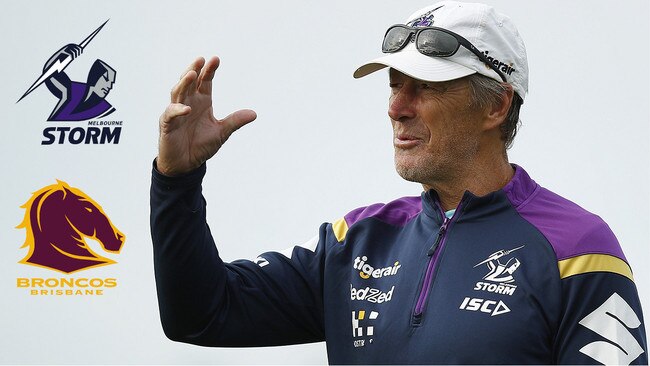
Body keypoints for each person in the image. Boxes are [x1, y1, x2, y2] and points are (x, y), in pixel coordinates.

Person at [150, 1, 647, 364]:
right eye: (393, 84)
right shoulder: (358, 241)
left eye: (424, 86)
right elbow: (200, 314)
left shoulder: (578, 248)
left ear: (496, 105)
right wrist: (177, 181)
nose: (396, 106)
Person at [44, 43, 116, 121]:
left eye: (111, 83)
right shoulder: (75, 91)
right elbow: (50, 74)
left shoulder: (104, 108)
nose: (109, 86)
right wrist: (63, 53)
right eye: (106, 79)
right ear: (95, 77)